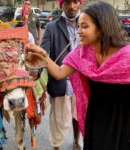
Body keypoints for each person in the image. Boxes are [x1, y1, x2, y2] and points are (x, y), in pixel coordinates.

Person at [26, 1, 130, 150]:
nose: (78, 31)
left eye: (84, 26)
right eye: (79, 26)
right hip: (94, 118)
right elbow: (60, 72)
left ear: (102, 27)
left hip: (121, 123)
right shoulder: (83, 53)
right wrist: (43, 55)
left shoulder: (127, 56)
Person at [41, 0, 83, 150]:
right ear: (61, 5)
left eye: (75, 2)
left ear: (80, 3)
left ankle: (76, 140)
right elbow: (43, 54)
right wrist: (36, 74)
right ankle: (56, 146)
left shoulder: (88, 25)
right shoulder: (52, 27)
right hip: (60, 80)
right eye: (67, 2)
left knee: (79, 115)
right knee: (58, 119)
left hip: (82, 81)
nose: (71, 6)